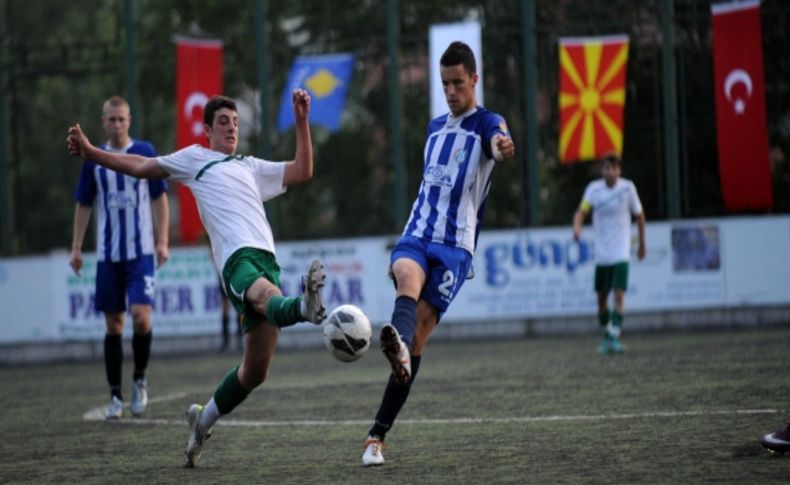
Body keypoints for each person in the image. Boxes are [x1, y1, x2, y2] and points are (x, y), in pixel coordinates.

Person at [67, 89, 326, 467]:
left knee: (255, 372)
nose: (231, 128)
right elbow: (141, 167)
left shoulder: (250, 166)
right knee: (266, 294)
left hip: (267, 259)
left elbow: (303, 170)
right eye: (223, 122)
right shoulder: (195, 159)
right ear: (207, 130)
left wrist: (302, 121)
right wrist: (91, 153)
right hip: (237, 260)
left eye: (236, 122)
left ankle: (201, 421)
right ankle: (304, 306)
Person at [361, 41, 516, 467]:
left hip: (454, 247)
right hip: (417, 231)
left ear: (474, 80)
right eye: (445, 84)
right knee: (405, 274)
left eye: (458, 83)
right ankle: (398, 344)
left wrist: (503, 146)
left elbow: (499, 138)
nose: (450, 91)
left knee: (419, 335)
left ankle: (378, 433)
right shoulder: (434, 129)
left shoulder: (487, 122)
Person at [70, 95, 169, 420]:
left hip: (140, 254)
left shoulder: (145, 152)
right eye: (111, 119)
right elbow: (84, 203)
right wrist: (76, 247)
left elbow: (159, 198)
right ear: (104, 122)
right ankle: (115, 395)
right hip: (108, 256)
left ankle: (140, 380)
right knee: (113, 323)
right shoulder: (93, 159)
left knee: (141, 316)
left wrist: (162, 239)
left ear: (130, 121)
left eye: (121, 119)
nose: (116, 124)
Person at [572, 153, 646, 355]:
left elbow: (639, 216)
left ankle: (612, 337)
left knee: (619, 296)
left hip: (621, 251)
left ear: (619, 170)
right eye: (606, 168)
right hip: (602, 254)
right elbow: (582, 211)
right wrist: (577, 226)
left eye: (614, 168)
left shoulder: (627, 188)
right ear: (602, 170)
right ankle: (608, 335)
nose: (610, 172)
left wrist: (642, 244)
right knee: (602, 303)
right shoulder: (594, 190)